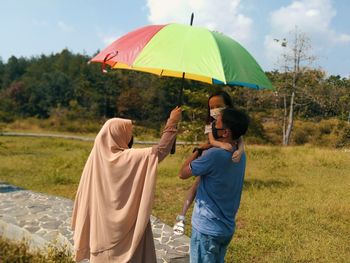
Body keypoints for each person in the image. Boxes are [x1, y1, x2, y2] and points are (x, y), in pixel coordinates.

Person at [71, 107, 182, 263]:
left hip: (101, 232)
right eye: (129, 133)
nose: (131, 137)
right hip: (125, 234)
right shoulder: (126, 157)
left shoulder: (96, 159)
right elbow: (162, 150)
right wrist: (172, 122)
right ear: (118, 135)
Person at [178, 108, 249, 263]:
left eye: (216, 123)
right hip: (225, 228)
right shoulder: (240, 155)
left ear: (226, 132)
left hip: (207, 229)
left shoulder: (214, 155)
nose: (212, 126)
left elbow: (183, 173)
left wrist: (199, 151)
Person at [173, 90, 245, 236]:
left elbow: (241, 140)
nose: (214, 110)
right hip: (211, 153)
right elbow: (211, 141)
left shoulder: (234, 123)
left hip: (218, 158)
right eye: (211, 107)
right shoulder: (211, 124)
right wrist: (222, 146)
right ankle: (182, 214)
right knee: (195, 186)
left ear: (228, 106)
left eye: (219, 106)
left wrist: (241, 151)